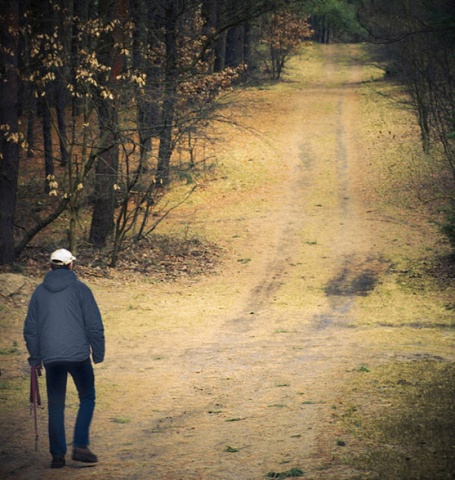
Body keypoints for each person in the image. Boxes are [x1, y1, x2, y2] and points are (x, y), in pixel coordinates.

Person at [24, 248, 105, 469]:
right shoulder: (81, 290)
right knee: (87, 397)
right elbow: (94, 325)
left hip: (51, 359)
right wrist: (98, 353)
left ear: (50, 266)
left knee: (56, 406)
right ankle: (80, 445)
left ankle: (57, 456)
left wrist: (35, 357)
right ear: (71, 266)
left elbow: (31, 329)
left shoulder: (39, 293)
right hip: (78, 356)